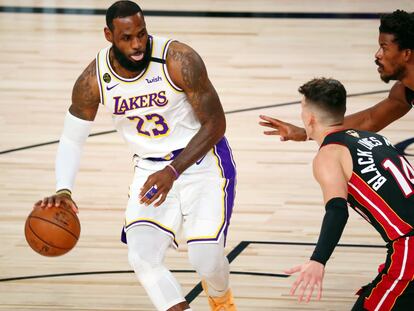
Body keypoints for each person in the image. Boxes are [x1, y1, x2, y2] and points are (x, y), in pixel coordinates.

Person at [33, 1, 237, 310]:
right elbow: (73, 138)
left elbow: (216, 123)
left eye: (141, 34)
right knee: (142, 257)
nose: (138, 44)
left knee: (205, 259)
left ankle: (222, 300)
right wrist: (64, 188)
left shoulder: (178, 59)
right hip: (150, 169)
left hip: (202, 160)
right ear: (108, 35)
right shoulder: (93, 79)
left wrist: (174, 170)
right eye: (127, 37)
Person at [284, 78, 414, 310]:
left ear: (310, 118)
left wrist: (318, 260)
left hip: (410, 249)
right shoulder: (374, 137)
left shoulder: (329, 155)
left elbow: (337, 210)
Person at [259, 10, 414, 141]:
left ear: (406, 54)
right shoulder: (403, 90)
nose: (377, 55)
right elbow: (370, 120)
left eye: (384, 48)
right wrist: (306, 132)